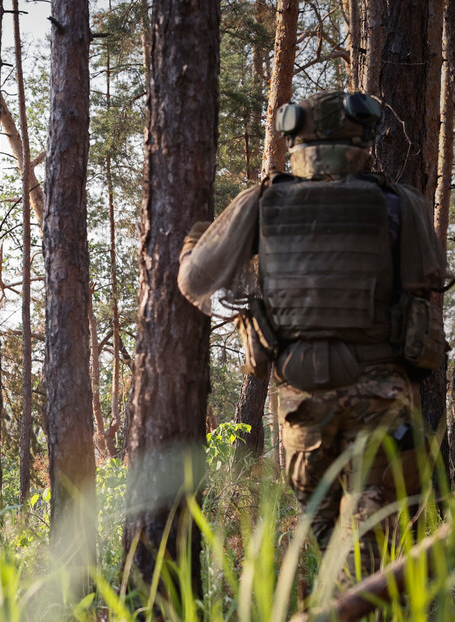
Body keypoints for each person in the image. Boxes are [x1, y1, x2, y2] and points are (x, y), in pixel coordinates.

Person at [178, 91, 449, 576]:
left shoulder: (262, 200)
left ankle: (340, 596)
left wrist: (194, 243)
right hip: (381, 397)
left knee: (323, 529)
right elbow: (427, 288)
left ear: (294, 136)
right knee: (376, 539)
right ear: (362, 136)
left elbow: (195, 282)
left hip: (303, 402)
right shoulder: (399, 203)